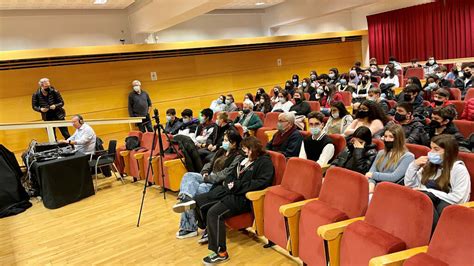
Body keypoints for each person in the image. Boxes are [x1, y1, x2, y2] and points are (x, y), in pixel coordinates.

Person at [195, 136, 274, 264]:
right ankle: (209, 231)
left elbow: (261, 183)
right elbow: (230, 175)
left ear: (253, 149)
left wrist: (237, 186)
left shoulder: (264, 162)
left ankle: (221, 253)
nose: (243, 151)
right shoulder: (243, 159)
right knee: (199, 202)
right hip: (230, 192)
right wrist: (229, 183)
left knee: (214, 213)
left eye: (245, 148)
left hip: (243, 198)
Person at [172, 129, 243, 239]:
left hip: (216, 182)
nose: (223, 142)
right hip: (207, 176)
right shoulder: (221, 151)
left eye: (226, 140)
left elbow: (226, 173)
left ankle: (189, 228)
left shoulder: (238, 156)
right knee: (189, 176)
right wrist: (204, 172)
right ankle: (186, 198)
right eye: (223, 140)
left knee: (194, 191)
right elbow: (209, 163)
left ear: (234, 143)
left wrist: (208, 178)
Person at [405, 134, 470, 227]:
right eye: (431, 148)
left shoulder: (459, 169)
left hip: (448, 205)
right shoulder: (430, 165)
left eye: (436, 149)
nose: (431, 152)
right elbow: (410, 185)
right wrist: (414, 165)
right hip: (426, 202)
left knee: (425, 198)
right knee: (416, 197)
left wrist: (429, 192)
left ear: (448, 152)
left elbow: (459, 198)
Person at [366, 124, 415, 193]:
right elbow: (370, 173)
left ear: (398, 139)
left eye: (391, 137)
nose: (387, 139)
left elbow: (393, 177)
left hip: (391, 191)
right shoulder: (381, 153)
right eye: (385, 136)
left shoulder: (408, 157)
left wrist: (373, 175)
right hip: (375, 188)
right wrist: (371, 185)